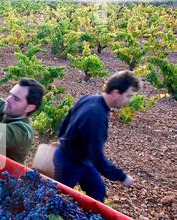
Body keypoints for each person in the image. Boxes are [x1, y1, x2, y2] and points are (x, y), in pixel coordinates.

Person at [53, 70, 140, 202]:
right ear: (116, 93)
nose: (130, 100)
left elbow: (66, 120)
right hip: (69, 164)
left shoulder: (90, 98)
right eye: (128, 96)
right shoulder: (96, 116)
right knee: (57, 200)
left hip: (82, 160)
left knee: (97, 191)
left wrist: (61, 139)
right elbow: (97, 157)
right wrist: (122, 177)